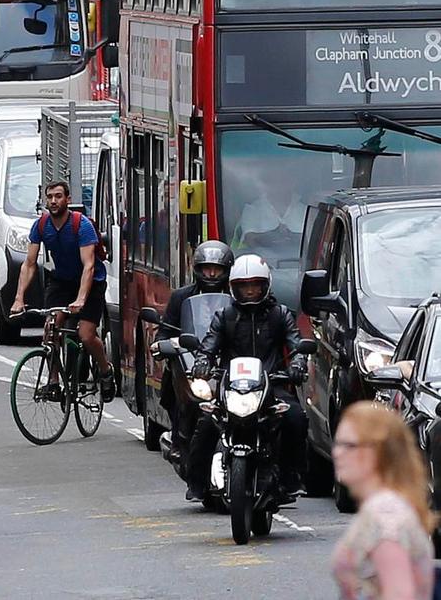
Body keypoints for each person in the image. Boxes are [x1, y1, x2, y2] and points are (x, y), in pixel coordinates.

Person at [187, 254, 308, 502]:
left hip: (271, 385)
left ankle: (291, 479)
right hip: (230, 388)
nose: (250, 291)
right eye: (243, 286)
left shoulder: (280, 314)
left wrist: (297, 364)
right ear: (234, 288)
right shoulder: (224, 316)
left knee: (296, 418)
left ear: (266, 285)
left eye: (255, 285)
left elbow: (296, 345)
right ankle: (197, 482)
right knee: (206, 423)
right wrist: (202, 363)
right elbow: (208, 346)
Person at [11, 180, 115, 402]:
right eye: (49, 197)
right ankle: (54, 381)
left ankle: (106, 371)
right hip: (62, 281)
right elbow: (29, 263)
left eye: (58, 196)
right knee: (50, 330)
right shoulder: (41, 226)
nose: (53, 201)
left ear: (68, 199)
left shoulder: (81, 225)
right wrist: (19, 298)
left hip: (91, 282)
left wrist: (81, 299)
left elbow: (89, 265)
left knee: (86, 335)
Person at [331, 401, 434, 600]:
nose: (337, 453)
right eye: (338, 444)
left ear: (377, 452)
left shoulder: (386, 514)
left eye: (349, 445)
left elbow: (400, 594)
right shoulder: (382, 506)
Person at [155, 240, 234, 469]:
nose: (212, 274)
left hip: (225, 360)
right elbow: (165, 331)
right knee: (179, 387)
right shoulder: (181, 297)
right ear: (197, 269)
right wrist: (164, 344)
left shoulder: (236, 297)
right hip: (190, 360)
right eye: (207, 269)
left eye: (217, 269)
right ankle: (178, 439)